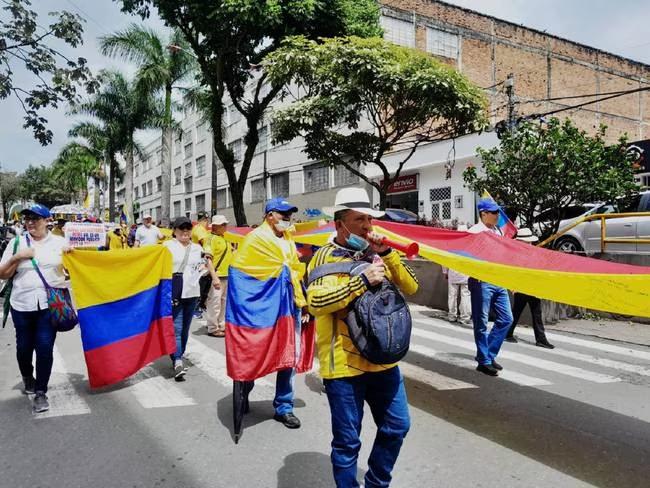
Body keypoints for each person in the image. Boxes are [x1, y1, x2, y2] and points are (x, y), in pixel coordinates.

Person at [307, 187, 419, 488]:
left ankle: (376, 483)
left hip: (382, 361)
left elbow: (411, 286)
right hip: (344, 367)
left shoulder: (375, 251)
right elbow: (316, 304)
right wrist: (361, 281)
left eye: (369, 219)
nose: (368, 226)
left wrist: (386, 254)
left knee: (397, 426)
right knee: (347, 443)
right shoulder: (322, 259)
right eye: (359, 220)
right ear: (339, 224)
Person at [226, 197, 309, 429]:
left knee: (289, 355)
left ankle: (284, 406)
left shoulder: (290, 239)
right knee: (257, 349)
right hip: (263, 307)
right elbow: (239, 273)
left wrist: (303, 302)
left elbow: (294, 270)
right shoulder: (254, 239)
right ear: (270, 215)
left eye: (290, 214)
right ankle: (244, 387)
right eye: (283, 214)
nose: (288, 218)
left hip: (289, 305)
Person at [0, 204, 69, 413]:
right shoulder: (16, 243)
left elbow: (72, 271)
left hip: (49, 306)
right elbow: (2, 274)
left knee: (45, 348)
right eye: (27, 218)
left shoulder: (60, 243)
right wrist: (17, 257)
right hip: (21, 306)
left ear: (47, 221)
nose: (30, 222)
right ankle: (28, 377)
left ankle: (41, 392)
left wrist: (72, 258)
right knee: (23, 349)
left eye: (35, 218)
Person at [468, 198, 513, 376]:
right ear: (483, 213)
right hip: (481, 281)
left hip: (498, 280)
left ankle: (488, 354)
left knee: (506, 318)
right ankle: (484, 361)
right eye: (494, 213)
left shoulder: (498, 230)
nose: (497, 216)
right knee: (481, 322)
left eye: (497, 212)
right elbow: (468, 255)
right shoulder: (475, 231)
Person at [163, 217, 204, 381]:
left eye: (188, 228)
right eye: (181, 228)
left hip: (192, 292)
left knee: (185, 328)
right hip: (175, 292)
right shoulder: (167, 246)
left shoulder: (197, 247)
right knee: (177, 328)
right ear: (174, 231)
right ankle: (178, 361)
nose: (185, 231)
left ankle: (178, 355)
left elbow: (202, 265)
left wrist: (204, 270)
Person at [505, 228, 555, 349]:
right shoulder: (516, 255)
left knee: (534, 313)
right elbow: (512, 271)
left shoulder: (533, 252)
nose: (529, 244)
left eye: (529, 242)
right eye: (527, 242)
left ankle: (540, 339)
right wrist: (513, 286)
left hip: (532, 287)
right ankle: (539, 339)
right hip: (522, 287)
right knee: (518, 312)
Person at [203, 215, 233, 337]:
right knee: (214, 302)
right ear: (215, 226)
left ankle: (221, 325)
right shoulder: (210, 239)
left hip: (226, 275)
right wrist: (214, 277)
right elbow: (208, 259)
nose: (225, 227)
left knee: (223, 303)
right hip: (217, 275)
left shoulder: (224, 238)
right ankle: (212, 327)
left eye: (225, 224)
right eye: (223, 225)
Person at [442, 224, 471, 325]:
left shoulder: (452, 244)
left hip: (453, 273)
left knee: (452, 296)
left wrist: (445, 272)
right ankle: (465, 317)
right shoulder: (470, 244)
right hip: (466, 274)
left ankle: (452, 316)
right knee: (466, 296)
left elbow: (445, 259)